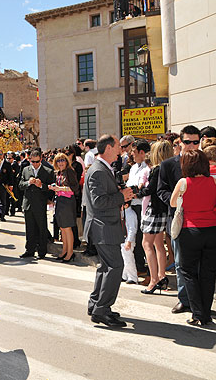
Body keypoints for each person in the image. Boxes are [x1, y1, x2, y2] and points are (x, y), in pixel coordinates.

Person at [84, 135, 134, 327]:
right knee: (115, 267)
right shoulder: (98, 170)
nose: (121, 149)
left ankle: (96, 303)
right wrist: (121, 197)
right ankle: (101, 309)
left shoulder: (103, 168)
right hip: (103, 226)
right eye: (117, 146)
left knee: (106, 267)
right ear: (108, 148)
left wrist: (121, 195)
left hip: (105, 225)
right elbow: (99, 202)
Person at [170, 150, 216, 326]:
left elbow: (172, 202)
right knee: (208, 274)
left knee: (188, 272)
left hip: (190, 231)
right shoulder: (214, 182)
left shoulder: (183, 182)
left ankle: (198, 313)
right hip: (214, 232)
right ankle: (206, 314)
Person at [157, 125, 201, 314]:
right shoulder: (168, 165)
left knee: (202, 264)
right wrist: (176, 203)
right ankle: (185, 300)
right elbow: (161, 191)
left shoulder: (205, 163)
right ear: (180, 143)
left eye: (196, 142)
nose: (191, 146)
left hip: (204, 221)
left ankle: (201, 301)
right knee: (182, 263)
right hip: (179, 220)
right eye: (187, 142)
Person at [139, 140, 173, 294]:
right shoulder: (170, 168)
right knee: (159, 244)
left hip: (153, 209)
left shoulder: (156, 169)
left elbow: (150, 190)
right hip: (163, 210)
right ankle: (161, 276)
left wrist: (135, 192)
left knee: (147, 244)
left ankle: (154, 280)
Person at [18, 149, 55, 259]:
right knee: (29, 228)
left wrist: (41, 186)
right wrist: (28, 183)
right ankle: (29, 250)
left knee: (41, 228)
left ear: (41, 160)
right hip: (28, 203)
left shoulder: (48, 171)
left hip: (40, 203)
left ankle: (42, 251)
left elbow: (51, 189)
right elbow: (20, 185)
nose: (34, 164)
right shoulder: (25, 170)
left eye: (36, 162)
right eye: (32, 162)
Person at [125, 139, 151, 275]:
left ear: (142, 152)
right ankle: (136, 266)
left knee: (142, 238)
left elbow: (143, 189)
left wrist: (135, 192)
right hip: (131, 206)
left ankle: (142, 267)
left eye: (134, 152)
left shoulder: (148, 168)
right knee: (132, 235)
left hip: (143, 206)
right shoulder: (134, 167)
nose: (132, 155)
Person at [49, 153, 79, 262]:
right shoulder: (59, 173)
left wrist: (60, 188)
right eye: (58, 161)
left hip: (67, 202)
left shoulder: (70, 171)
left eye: (62, 160)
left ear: (66, 161)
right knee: (62, 228)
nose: (60, 163)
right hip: (60, 201)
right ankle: (65, 250)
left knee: (67, 228)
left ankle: (70, 252)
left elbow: (75, 188)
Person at [121, 202, 138, 284]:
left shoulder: (131, 214)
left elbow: (132, 229)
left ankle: (133, 277)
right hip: (123, 239)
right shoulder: (123, 213)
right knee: (124, 259)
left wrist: (129, 241)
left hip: (128, 240)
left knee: (128, 259)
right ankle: (124, 275)